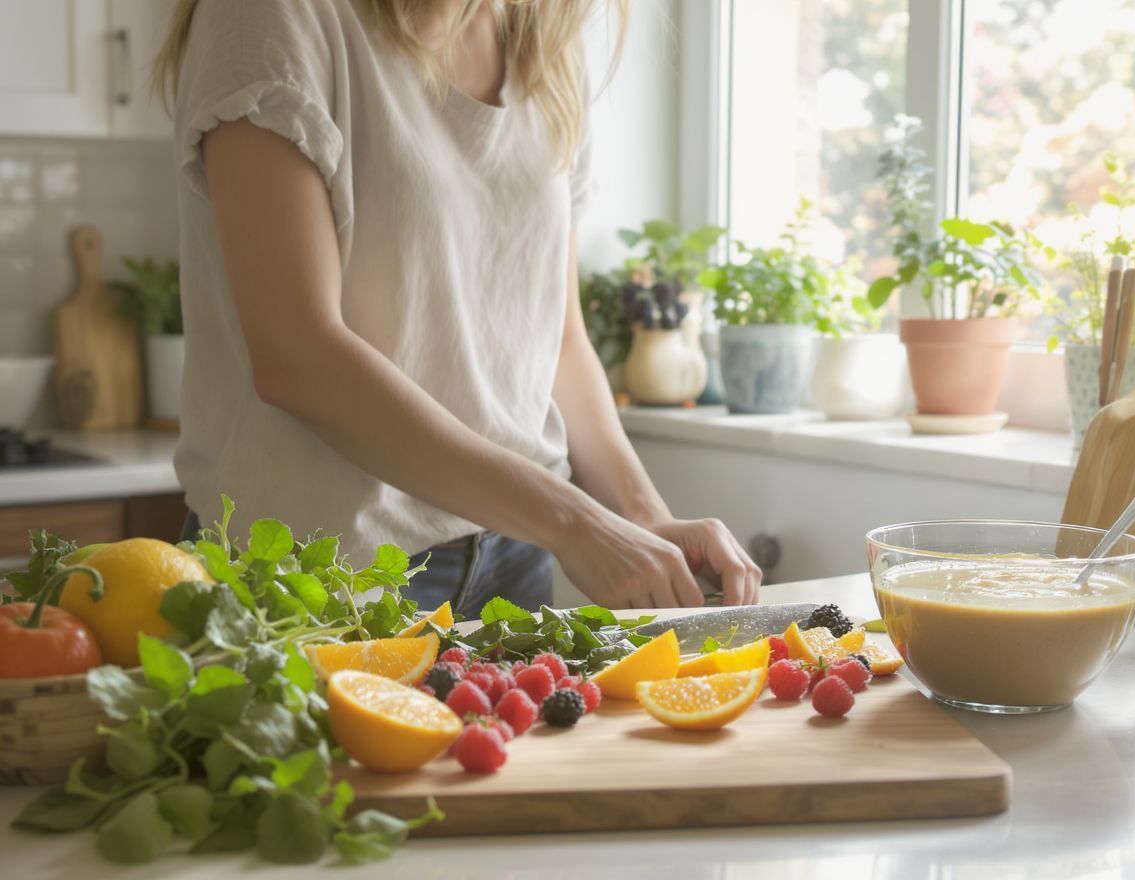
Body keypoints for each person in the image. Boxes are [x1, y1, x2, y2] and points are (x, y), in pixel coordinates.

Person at [156, 0, 761, 616]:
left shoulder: (543, 43)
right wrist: (576, 522)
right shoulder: (273, 16)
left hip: (518, 551)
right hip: (327, 566)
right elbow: (296, 355)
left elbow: (556, 338)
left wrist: (645, 518)